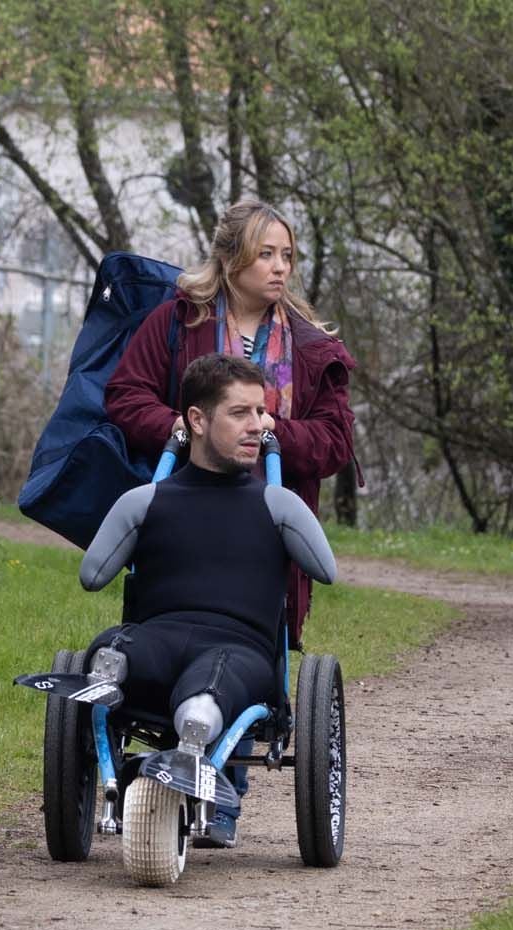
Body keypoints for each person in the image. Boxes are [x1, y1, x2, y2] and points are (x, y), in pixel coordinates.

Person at [80, 355, 337, 846]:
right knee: (111, 647)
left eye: (261, 413)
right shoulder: (146, 501)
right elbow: (92, 575)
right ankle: (109, 681)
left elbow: (326, 571)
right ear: (197, 420)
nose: (258, 426)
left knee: (210, 681)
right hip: (154, 640)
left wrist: (292, 517)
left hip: (238, 650)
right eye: (240, 413)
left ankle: (193, 734)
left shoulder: (275, 504)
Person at [106, 200, 357, 648]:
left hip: (264, 514)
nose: (280, 267)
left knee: (250, 629)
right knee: (169, 613)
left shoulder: (312, 348)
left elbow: (335, 442)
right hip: (184, 502)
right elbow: (126, 396)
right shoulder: (179, 322)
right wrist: (188, 427)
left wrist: (269, 429)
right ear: (229, 257)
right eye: (265, 254)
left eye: (287, 256)